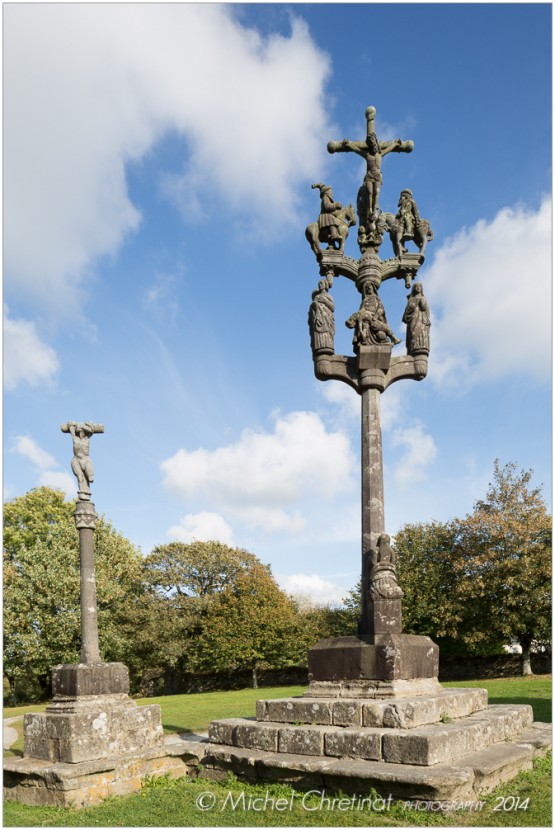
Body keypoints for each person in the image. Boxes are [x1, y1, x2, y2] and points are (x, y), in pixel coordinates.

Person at [402, 282, 431, 354]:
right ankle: (413, 347)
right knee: (413, 333)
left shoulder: (423, 298)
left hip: (422, 320)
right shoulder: (411, 299)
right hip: (414, 319)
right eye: (416, 287)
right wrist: (416, 301)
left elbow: (424, 308)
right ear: (414, 289)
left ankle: (421, 346)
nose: (418, 288)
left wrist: (422, 300)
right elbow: (407, 311)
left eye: (420, 287)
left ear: (422, 289)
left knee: (422, 332)